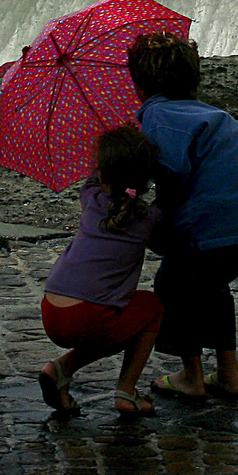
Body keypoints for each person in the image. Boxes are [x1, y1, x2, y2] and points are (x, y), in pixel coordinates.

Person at [128, 31, 238, 402]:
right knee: (211, 286)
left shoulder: (159, 116)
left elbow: (172, 176)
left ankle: (191, 376)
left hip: (213, 227)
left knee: (173, 285)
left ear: (139, 86)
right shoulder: (213, 115)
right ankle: (229, 374)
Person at [38, 125, 164, 417]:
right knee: (152, 309)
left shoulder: (91, 201)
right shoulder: (148, 218)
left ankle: (59, 371)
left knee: (114, 321)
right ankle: (126, 392)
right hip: (87, 318)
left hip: (51, 310)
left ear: (102, 175)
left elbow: (94, 180)